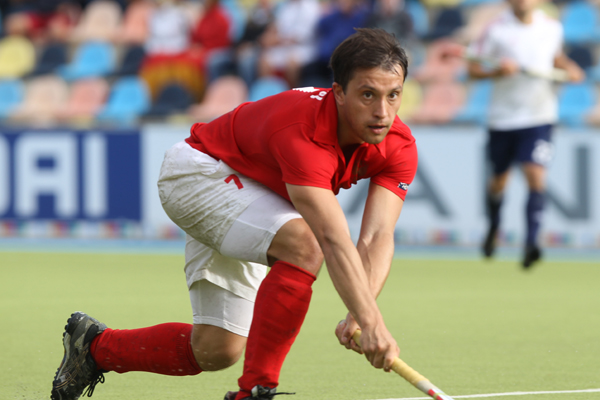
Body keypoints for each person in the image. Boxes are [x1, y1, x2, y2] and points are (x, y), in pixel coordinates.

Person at [50, 28, 418, 400]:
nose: (382, 112)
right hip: (199, 173)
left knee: (216, 349)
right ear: (339, 92)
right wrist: (372, 321)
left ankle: (95, 348)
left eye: (393, 95)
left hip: (259, 196)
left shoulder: (399, 145)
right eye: (367, 95)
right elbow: (332, 239)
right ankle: (256, 391)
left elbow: (376, 236)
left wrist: (360, 313)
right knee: (305, 245)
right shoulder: (304, 132)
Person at [467, 0, 584, 268]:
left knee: (535, 174)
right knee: (499, 182)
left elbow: (554, 57)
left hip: (539, 116)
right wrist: (498, 71)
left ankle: (532, 242)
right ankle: (493, 226)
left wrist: (569, 68)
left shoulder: (552, 28)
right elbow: (472, 69)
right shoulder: (495, 29)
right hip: (503, 119)